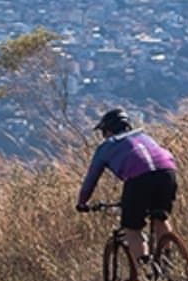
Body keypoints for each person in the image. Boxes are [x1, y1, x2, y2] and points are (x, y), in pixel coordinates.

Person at [76, 109, 178, 266]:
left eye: (103, 132)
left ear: (108, 131)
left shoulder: (105, 147)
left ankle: (147, 271)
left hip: (139, 179)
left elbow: (91, 179)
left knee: (132, 229)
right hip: (167, 172)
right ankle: (168, 260)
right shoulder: (145, 136)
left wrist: (82, 202)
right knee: (160, 216)